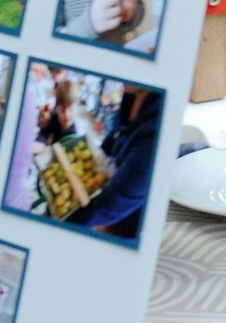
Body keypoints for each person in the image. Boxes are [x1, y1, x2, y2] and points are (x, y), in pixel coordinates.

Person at [65, 85, 161, 240]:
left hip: (127, 229)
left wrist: (59, 225)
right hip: (108, 208)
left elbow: (112, 204)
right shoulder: (132, 94)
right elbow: (111, 141)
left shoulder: (156, 134)